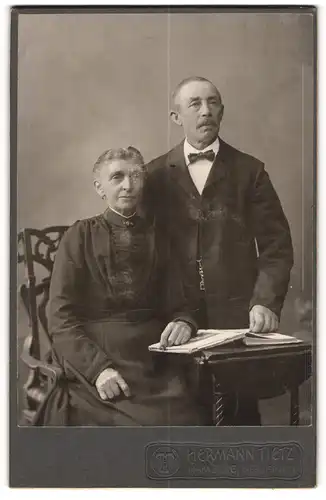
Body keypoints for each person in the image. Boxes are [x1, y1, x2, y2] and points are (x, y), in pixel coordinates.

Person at [145, 77, 294, 425]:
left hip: (236, 318)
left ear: (222, 112)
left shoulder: (250, 171)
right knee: (180, 420)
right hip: (173, 320)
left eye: (213, 103)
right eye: (195, 104)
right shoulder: (153, 176)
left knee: (239, 419)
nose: (206, 111)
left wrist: (265, 302)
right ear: (175, 116)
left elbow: (277, 246)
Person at [43, 146, 205, 426]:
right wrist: (98, 370)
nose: (128, 186)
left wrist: (183, 322)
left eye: (136, 176)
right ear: (99, 188)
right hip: (98, 356)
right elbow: (60, 317)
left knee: (189, 423)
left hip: (153, 359)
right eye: (117, 177)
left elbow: (180, 304)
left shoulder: (160, 238)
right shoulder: (79, 236)